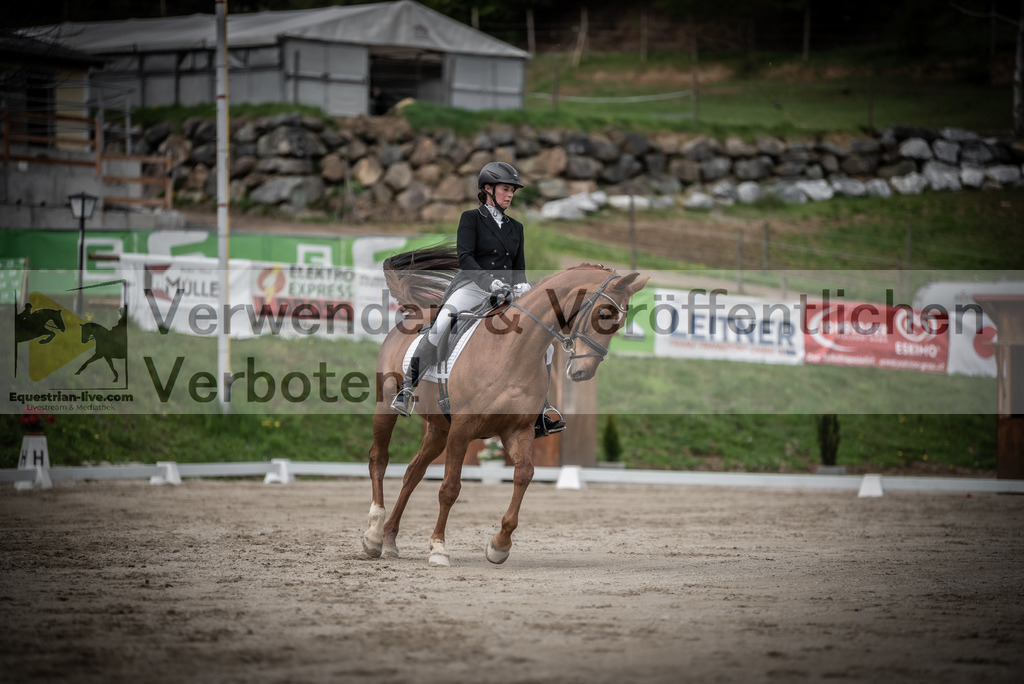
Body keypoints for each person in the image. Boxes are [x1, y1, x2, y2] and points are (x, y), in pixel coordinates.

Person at [391, 161, 565, 435]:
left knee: (547, 345)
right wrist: (489, 281)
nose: (510, 195)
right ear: (488, 189)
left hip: (506, 292)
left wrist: (521, 286)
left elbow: (518, 266)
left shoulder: (516, 227)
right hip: (472, 286)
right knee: (441, 325)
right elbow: (465, 258)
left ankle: (540, 408)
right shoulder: (471, 219)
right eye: (506, 189)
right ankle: (407, 389)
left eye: (512, 191)